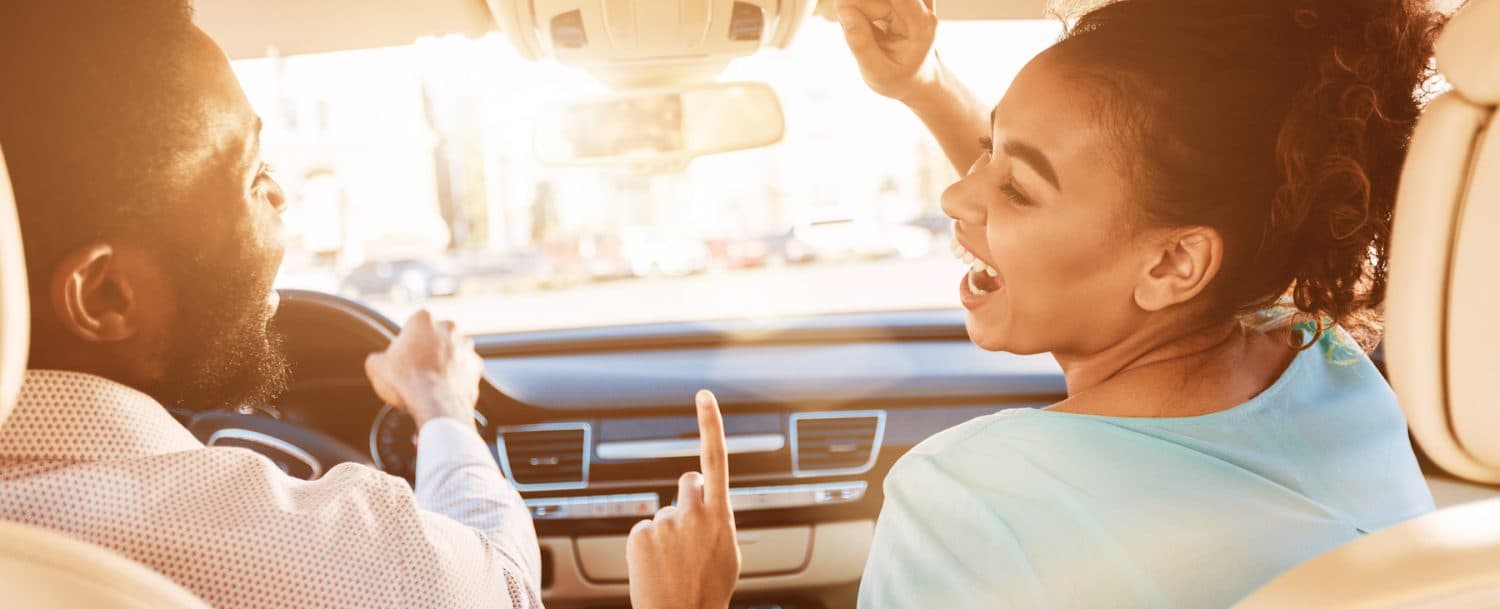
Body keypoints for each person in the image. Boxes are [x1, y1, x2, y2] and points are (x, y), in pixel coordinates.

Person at [653, 0, 1446, 607]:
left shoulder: (965, 504)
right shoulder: (1336, 376)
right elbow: (1109, 206)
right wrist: (925, 88)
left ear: (1176, 261)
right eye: (989, 152)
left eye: (1015, 187)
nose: (956, 194)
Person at [0, 2, 727, 607]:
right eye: (252, 174)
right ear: (104, 296)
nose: (282, 196)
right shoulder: (289, 548)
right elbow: (502, 583)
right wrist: (440, 406)